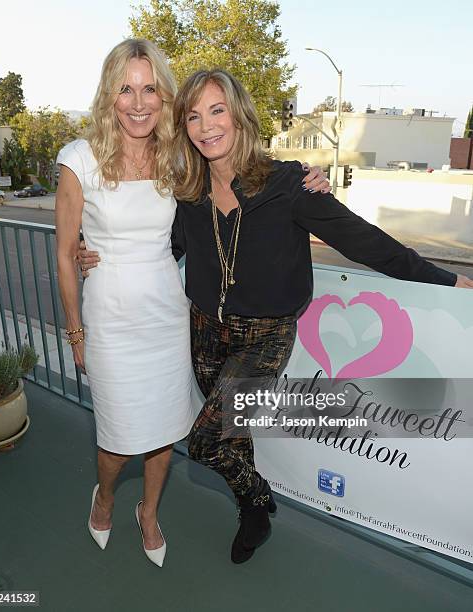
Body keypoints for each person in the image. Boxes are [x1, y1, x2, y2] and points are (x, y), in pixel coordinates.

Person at [80, 67, 473, 564]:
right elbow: (158, 245)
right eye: (195, 116)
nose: (207, 126)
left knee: (205, 442)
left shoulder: (289, 183)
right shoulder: (187, 192)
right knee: (233, 436)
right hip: (201, 331)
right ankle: (251, 511)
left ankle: (257, 502)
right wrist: (90, 251)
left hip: (265, 336)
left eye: (217, 110)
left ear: (240, 115)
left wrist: (447, 280)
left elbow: (366, 242)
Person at [57, 39, 330, 568]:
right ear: (109, 97)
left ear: (164, 98)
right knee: (116, 438)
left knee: (165, 431)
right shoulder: (79, 159)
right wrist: (76, 331)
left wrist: (306, 173)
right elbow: (68, 256)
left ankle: (150, 513)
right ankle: (107, 497)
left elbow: (244, 171)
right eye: (126, 90)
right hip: (109, 318)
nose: (138, 102)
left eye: (150, 89)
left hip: (167, 315)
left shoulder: (178, 157)